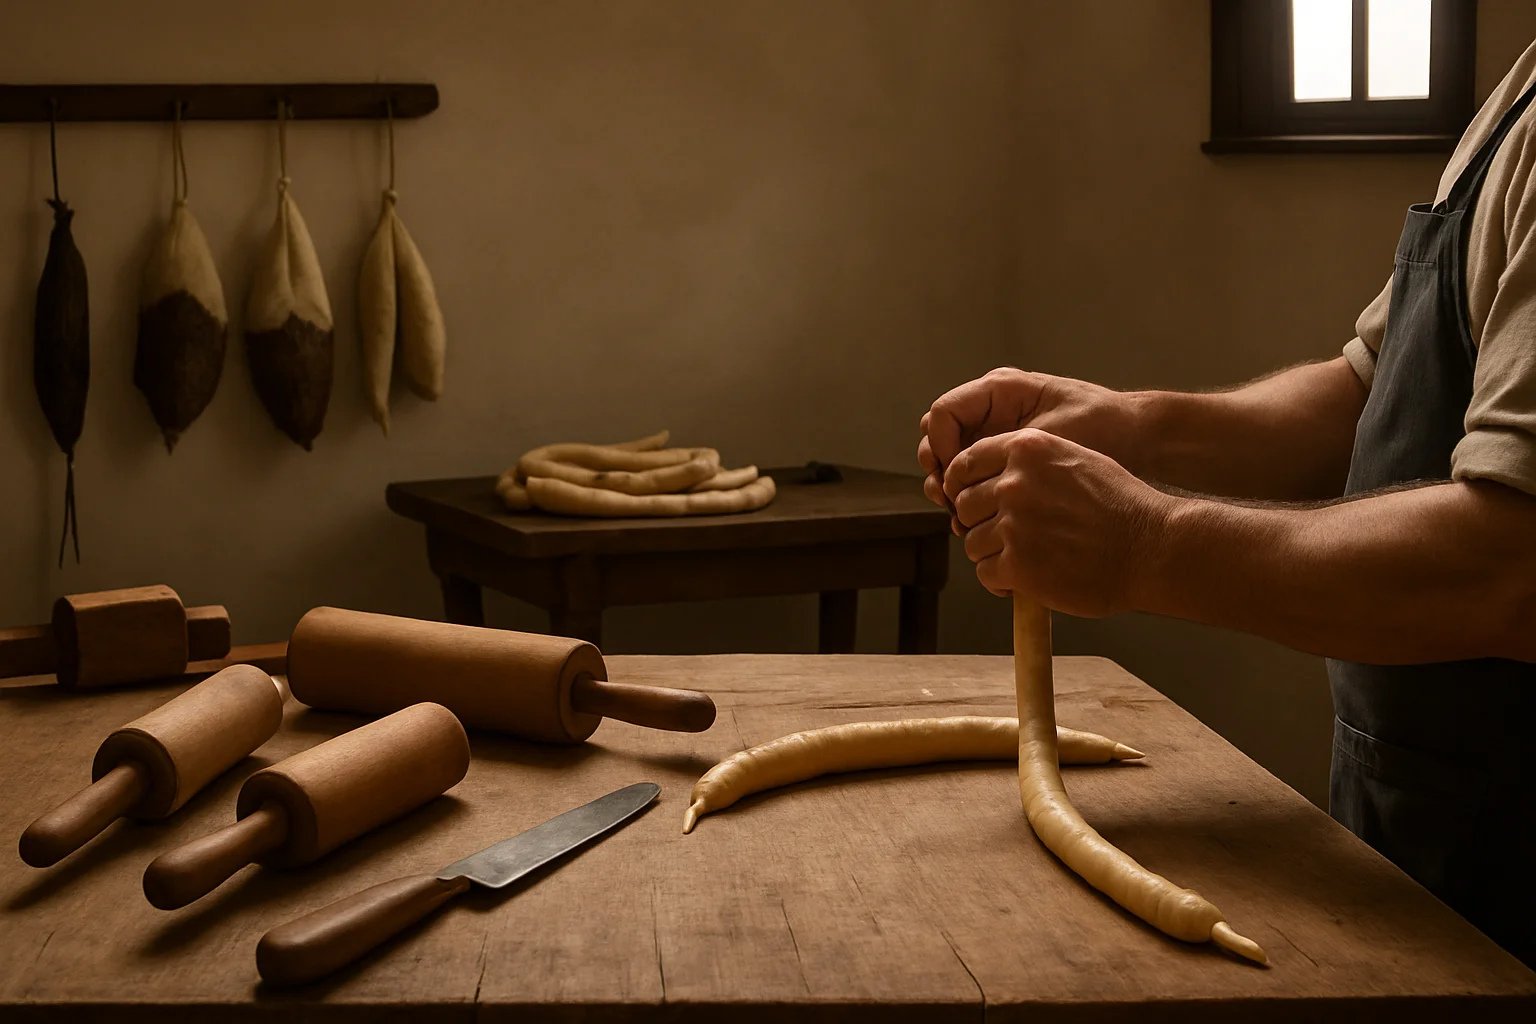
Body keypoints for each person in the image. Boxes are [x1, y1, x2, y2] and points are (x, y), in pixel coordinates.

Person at [919, 42, 1536, 967]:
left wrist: (1141, 542)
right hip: (1424, 837)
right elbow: (1374, 394)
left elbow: (1514, 570)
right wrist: (1134, 427)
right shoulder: (1520, 94)